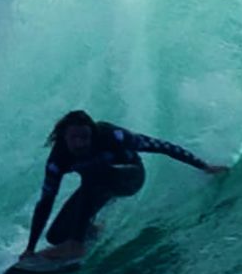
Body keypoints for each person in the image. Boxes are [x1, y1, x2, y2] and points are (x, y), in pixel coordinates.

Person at [23, 109, 222, 259]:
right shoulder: (58, 158)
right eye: (74, 138)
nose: (80, 143)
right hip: (98, 187)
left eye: (85, 137)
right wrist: (30, 249)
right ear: (64, 137)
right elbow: (45, 202)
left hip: (130, 177)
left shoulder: (111, 135)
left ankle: (75, 245)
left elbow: (159, 146)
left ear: (92, 134)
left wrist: (204, 166)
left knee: (93, 174)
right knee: (56, 235)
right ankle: (93, 231)